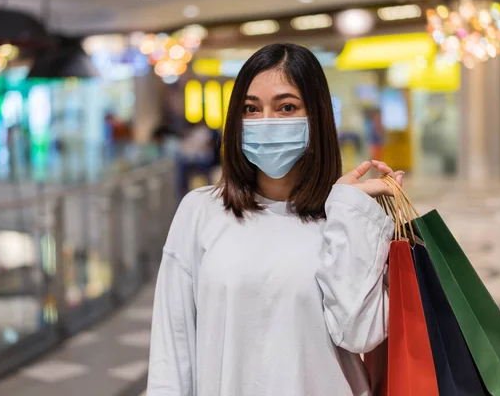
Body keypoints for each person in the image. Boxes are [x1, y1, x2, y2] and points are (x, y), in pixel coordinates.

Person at [147, 43, 403, 396]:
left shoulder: (342, 217)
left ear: (317, 116)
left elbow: (360, 333)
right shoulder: (200, 211)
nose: (265, 121)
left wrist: (349, 211)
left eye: (286, 107)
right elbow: (171, 353)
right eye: (251, 109)